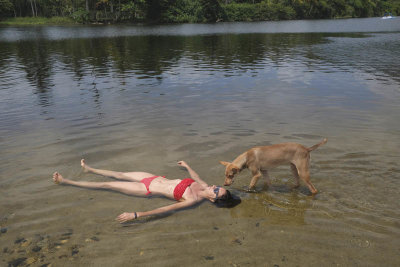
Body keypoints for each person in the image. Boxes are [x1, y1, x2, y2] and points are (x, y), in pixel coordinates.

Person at [52, 159, 239, 223]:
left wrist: (137, 214)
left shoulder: (193, 200)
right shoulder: (204, 186)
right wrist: (187, 165)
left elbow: (165, 210)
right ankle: (90, 169)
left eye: (217, 192)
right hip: (154, 177)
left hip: (146, 188)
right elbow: (195, 176)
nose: (214, 188)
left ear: (214, 201)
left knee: (107, 185)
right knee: (119, 174)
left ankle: (66, 181)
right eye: (218, 187)